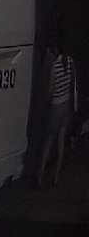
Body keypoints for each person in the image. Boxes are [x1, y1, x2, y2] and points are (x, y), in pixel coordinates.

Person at [38, 42, 80, 188]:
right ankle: (56, 177)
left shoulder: (55, 66)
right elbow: (73, 84)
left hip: (56, 107)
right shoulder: (71, 62)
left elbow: (50, 90)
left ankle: (40, 176)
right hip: (66, 107)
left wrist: (45, 101)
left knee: (48, 142)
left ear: (56, 50)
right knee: (61, 142)